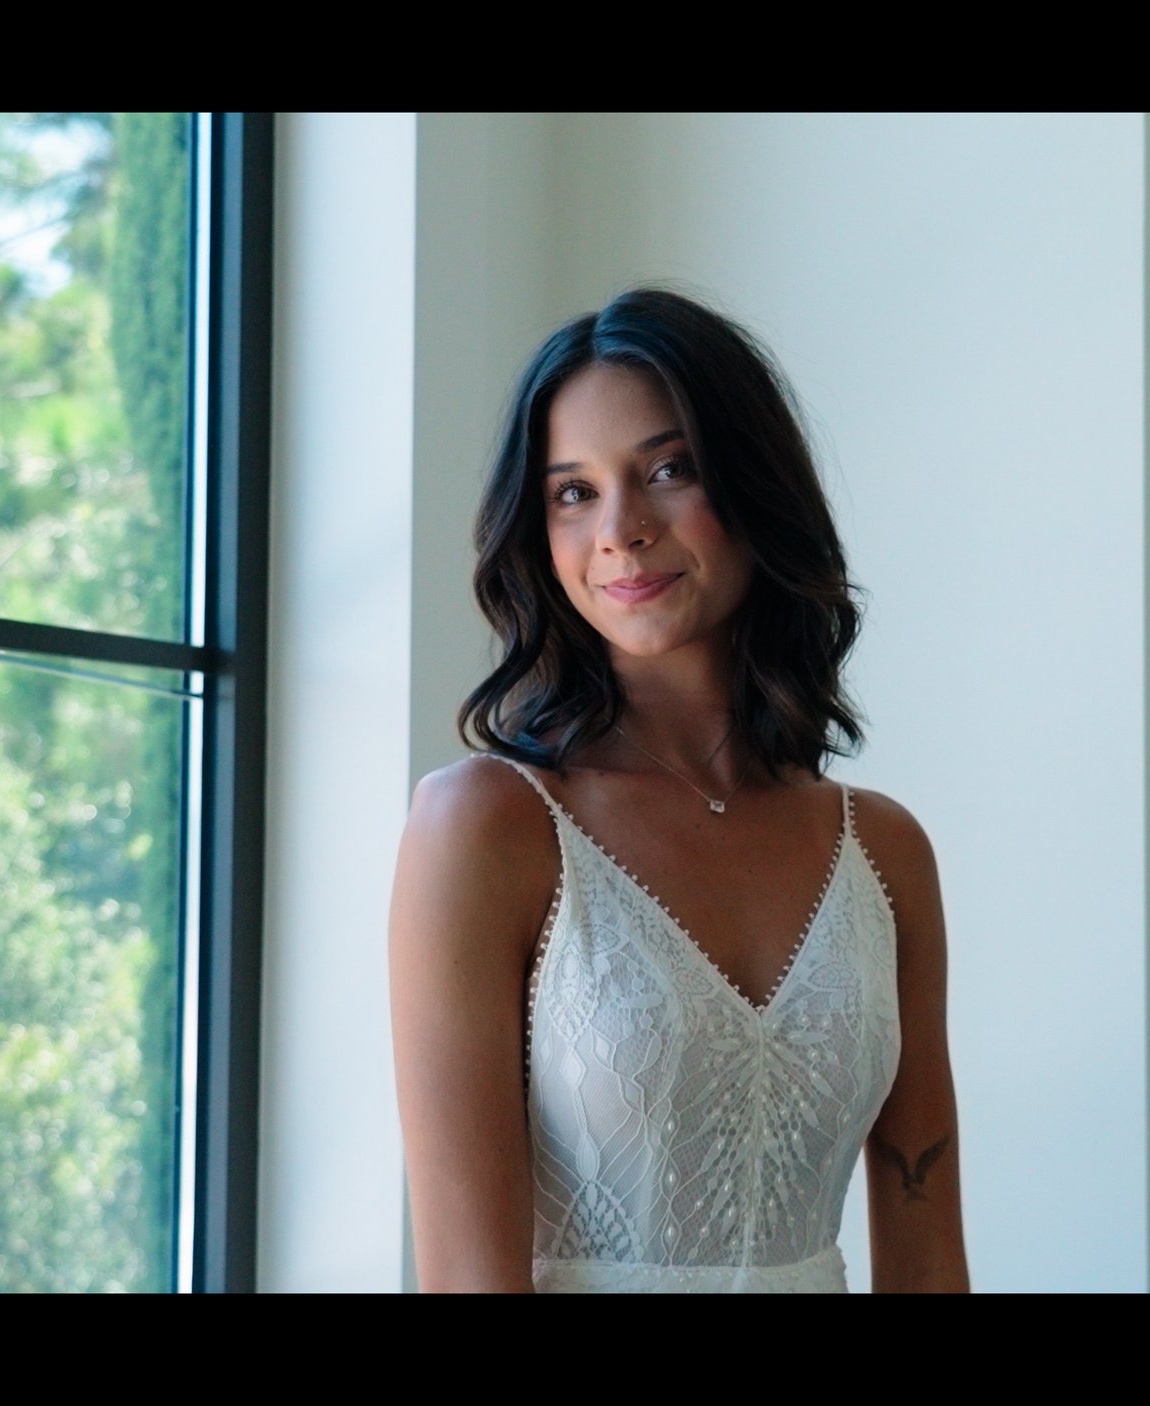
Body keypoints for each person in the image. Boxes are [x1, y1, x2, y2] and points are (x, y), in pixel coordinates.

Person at [387, 288, 969, 1292]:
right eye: (573, 490)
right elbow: (466, 1277)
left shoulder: (884, 850)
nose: (621, 528)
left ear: (753, 486)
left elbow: (925, 1255)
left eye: (667, 468)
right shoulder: (487, 827)